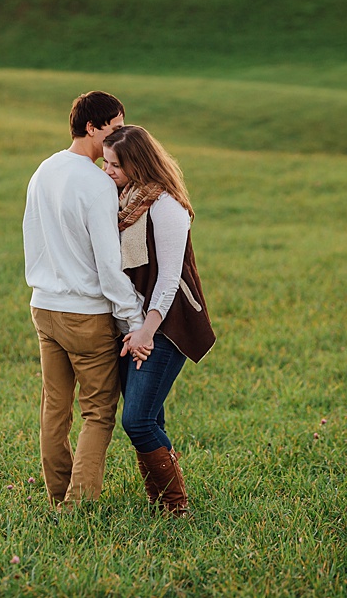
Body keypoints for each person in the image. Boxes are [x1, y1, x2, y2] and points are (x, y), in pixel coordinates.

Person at [22, 91, 152, 508]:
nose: (121, 136)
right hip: (86, 315)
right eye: (114, 128)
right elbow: (109, 266)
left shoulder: (44, 170)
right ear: (91, 128)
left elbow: (33, 239)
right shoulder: (97, 183)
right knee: (98, 412)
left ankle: (59, 497)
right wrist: (134, 320)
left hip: (44, 307)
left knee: (54, 410)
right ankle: (78, 507)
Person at [101, 125, 216, 517]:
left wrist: (146, 332)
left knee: (137, 420)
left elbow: (169, 278)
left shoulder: (167, 207)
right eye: (105, 162)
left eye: (116, 164)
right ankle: (158, 498)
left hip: (167, 325)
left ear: (138, 162)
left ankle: (174, 503)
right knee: (150, 414)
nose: (108, 170)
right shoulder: (123, 200)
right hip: (132, 325)